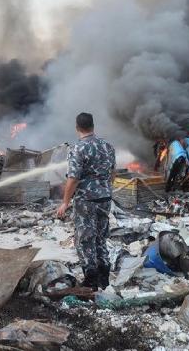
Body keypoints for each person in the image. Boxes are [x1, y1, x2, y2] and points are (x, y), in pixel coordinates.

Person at [56, 113, 116, 290]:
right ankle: (104, 279)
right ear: (92, 126)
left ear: (77, 128)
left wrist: (65, 202)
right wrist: (104, 187)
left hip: (86, 201)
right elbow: (113, 173)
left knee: (85, 239)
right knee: (100, 237)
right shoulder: (107, 146)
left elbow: (73, 178)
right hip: (105, 198)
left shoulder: (78, 148)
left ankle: (91, 281)